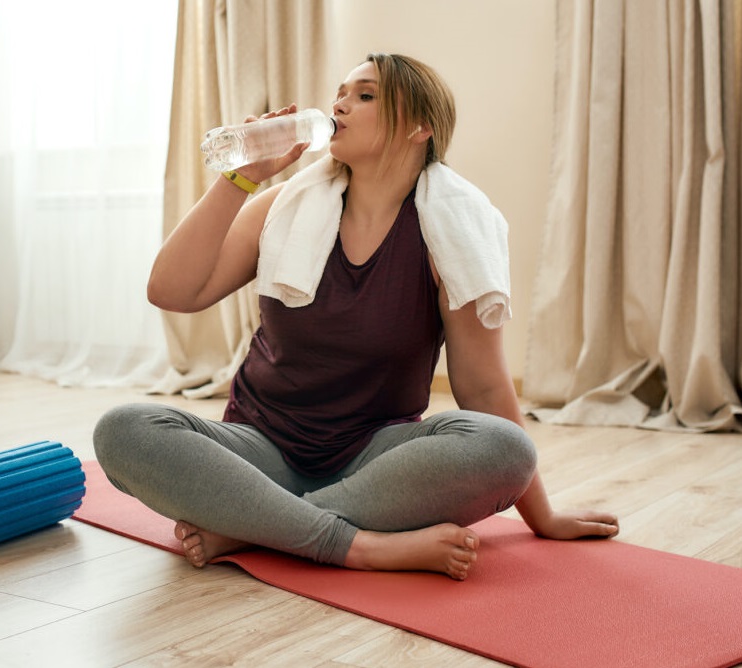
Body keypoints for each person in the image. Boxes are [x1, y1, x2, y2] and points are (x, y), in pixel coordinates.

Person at [93, 53, 619, 580]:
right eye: (341, 91)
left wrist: (542, 516)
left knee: (505, 448)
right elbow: (171, 291)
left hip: (374, 461)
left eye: (364, 94)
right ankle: (359, 545)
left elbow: (482, 388)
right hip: (260, 450)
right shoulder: (281, 206)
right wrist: (240, 178)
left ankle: (254, 526)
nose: (339, 103)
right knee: (125, 430)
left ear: (419, 126)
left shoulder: (451, 233)